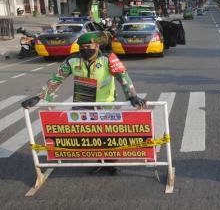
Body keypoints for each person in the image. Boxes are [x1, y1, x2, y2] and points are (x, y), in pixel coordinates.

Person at [21, 32, 147, 174]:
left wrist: (132, 96)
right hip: (83, 102)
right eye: (82, 47)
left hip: (105, 104)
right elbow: (57, 79)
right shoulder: (72, 60)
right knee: (90, 135)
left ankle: (110, 163)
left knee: (107, 135)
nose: (85, 50)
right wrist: (40, 97)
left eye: (88, 46)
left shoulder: (108, 58)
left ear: (97, 45)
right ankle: (99, 161)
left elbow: (123, 76)